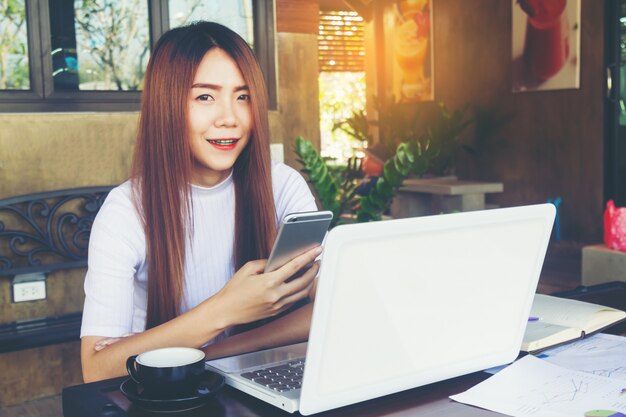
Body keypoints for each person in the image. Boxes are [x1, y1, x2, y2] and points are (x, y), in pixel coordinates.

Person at [80, 21, 321, 382]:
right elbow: (96, 369)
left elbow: (329, 306)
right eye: (205, 97)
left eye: (243, 97)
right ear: (167, 105)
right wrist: (224, 310)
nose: (230, 118)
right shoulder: (126, 212)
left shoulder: (281, 185)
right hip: (164, 396)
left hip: (252, 383)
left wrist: (210, 354)